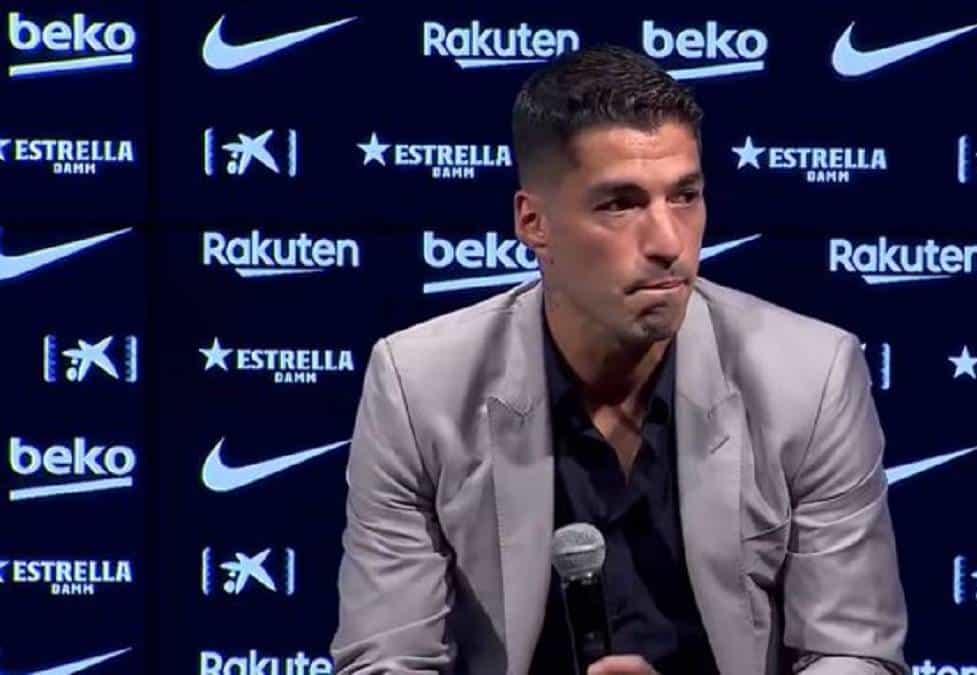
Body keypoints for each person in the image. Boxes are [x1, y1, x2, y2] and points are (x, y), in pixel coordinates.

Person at [331, 44, 907, 675]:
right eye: (620, 204)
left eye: (685, 196)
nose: (668, 242)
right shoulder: (420, 388)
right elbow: (387, 660)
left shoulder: (810, 377)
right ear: (533, 222)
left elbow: (852, 654)